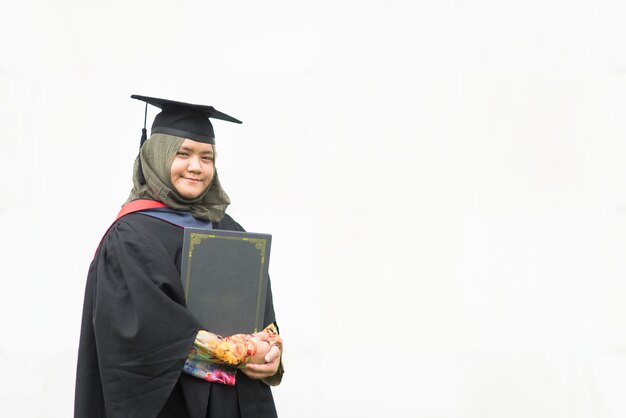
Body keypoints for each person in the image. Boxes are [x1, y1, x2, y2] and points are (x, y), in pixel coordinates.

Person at [74, 95, 284, 418]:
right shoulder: (130, 238)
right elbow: (141, 342)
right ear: (157, 155)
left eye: (206, 156)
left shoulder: (231, 231)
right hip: (173, 406)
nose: (196, 167)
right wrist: (232, 351)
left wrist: (271, 356)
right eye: (182, 153)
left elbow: (262, 319)